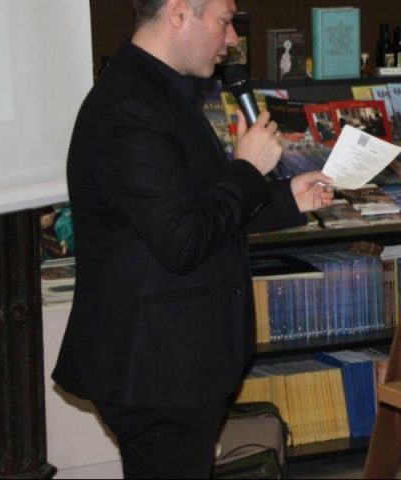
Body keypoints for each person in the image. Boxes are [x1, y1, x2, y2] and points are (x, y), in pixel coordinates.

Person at [52, 0, 334, 477]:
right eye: (225, 22)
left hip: (181, 361)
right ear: (179, 13)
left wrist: (286, 198)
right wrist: (246, 169)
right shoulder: (128, 108)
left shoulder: (162, 94)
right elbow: (183, 240)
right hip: (156, 368)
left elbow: (199, 209)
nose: (233, 40)